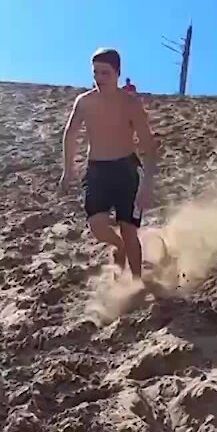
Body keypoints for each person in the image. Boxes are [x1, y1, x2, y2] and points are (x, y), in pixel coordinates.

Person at [59, 48, 161, 280]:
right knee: (97, 226)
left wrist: (148, 185)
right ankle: (119, 246)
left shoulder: (130, 103)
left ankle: (137, 282)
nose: (99, 79)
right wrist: (68, 170)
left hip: (127, 170)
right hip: (97, 170)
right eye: (95, 73)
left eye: (105, 73)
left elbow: (147, 143)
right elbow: (70, 134)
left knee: (129, 229)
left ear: (117, 73)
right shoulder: (84, 102)